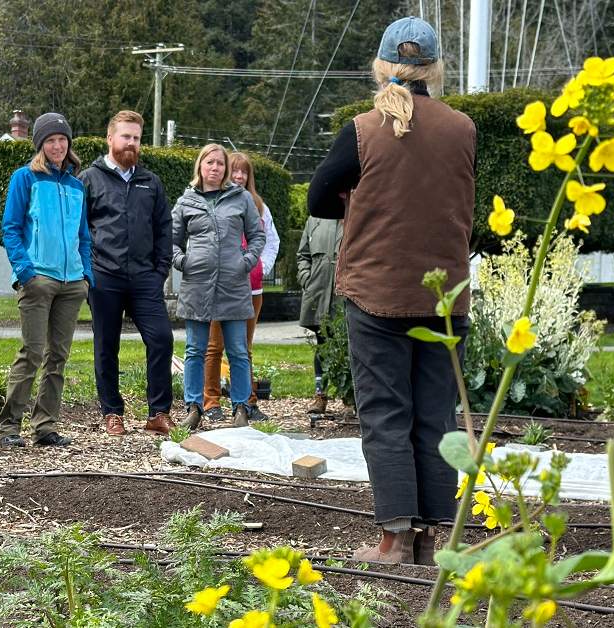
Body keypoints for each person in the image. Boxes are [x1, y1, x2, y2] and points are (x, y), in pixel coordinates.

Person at [307, 16, 476, 564]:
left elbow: (316, 198)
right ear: (435, 70)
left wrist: (364, 203)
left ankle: (394, 539)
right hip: (444, 296)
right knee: (437, 414)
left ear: (382, 67)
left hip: (377, 290)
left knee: (385, 413)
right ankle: (434, 541)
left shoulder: (362, 129)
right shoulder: (462, 128)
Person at [0, 112, 92, 448]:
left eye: (62, 139)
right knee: (32, 352)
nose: (57, 145)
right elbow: (10, 228)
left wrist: (86, 277)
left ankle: (45, 426)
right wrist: (26, 272)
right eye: (50, 140)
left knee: (58, 358)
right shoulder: (25, 178)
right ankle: (9, 427)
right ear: (40, 144)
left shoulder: (77, 185)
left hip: (72, 282)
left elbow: (83, 236)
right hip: (38, 279)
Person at [79, 110, 175, 436]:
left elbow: (164, 228)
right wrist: (88, 269)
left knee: (161, 338)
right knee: (107, 345)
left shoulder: (151, 182)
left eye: (136, 138)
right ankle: (112, 413)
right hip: (104, 276)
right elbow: (80, 229)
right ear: (110, 138)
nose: (131, 143)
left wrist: (160, 270)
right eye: (125, 136)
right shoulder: (90, 179)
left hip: (145, 277)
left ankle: (158, 413)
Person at [172, 144, 264, 430]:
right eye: (210, 163)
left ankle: (241, 408)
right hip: (197, 285)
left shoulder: (241, 199)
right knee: (195, 349)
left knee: (237, 350)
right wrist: (182, 261)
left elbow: (257, 234)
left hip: (234, 286)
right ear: (200, 166)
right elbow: (170, 240)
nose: (215, 168)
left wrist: (245, 262)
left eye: (220, 164)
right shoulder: (186, 201)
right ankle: (194, 407)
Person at [201, 152, 280, 423]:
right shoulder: (215, 202)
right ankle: (210, 400)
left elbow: (271, 240)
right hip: (220, 288)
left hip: (251, 290)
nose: (238, 176)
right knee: (214, 346)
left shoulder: (259, 207)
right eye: (234, 171)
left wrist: (261, 267)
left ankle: (246, 401)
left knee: (243, 348)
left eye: (243, 172)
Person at [297, 215, 345, 415]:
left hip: (345, 295)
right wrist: (306, 278)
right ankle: (320, 395)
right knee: (322, 345)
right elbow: (303, 255)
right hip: (318, 292)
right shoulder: (315, 220)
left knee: (349, 345)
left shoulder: (356, 213)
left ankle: (348, 398)